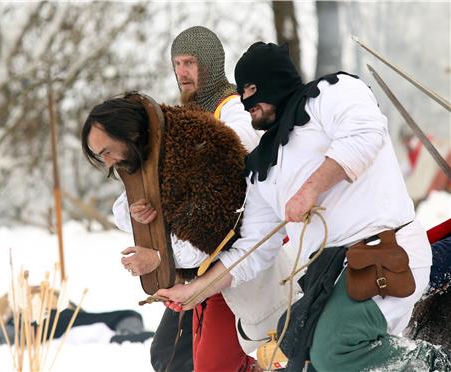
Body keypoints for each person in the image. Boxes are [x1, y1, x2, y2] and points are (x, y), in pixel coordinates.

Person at [156, 41, 451, 371]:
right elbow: (252, 248)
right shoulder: (262, 168)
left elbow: (365, 133)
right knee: (303, 358)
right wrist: (195, 289)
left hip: (386, 252)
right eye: (241, 92)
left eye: (252, 88)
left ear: (276, 79)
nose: (246, 101)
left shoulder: (333, 92)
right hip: (327, 274)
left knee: (335, 348)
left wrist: (310, 190)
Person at [82, 93, 276, 372]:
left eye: (107, 152)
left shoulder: (199, 147)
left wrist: (159, 258)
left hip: (239, 273)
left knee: (211, 366)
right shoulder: (146, 153)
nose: (109, 163)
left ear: (130, 133)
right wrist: (138, 212)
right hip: (206, 280)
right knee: (174, 356)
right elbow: (122, 211)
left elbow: (208, 239)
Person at [110, 26, 260, 372]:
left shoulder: (233, 109)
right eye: (177, 63)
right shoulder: (181, 121)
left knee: (202, 360)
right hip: (193, 265)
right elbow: (123, 211)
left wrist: (184, 154)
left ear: (210, 63)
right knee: (169, 354)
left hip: (231, 257)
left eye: (190, 62)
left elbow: (240, 144)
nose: (182, 72)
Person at [0, 288, 153, 346]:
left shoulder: (54, 291)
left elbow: (78, 310)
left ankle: (128, 334)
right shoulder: (11, 295)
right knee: (16, 326)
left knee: (129, 314)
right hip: (31, 318)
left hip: (64, 316)